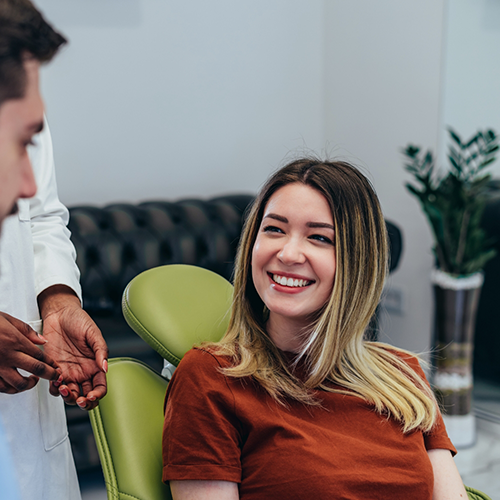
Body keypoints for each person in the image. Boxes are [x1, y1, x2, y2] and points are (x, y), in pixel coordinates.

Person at [162, 158, 468, 499]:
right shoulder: (211, 378)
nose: (289, 253)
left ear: (358, 261)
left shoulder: (403, 375)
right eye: (274, 229)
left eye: (320, 238)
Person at [0, 1, 108, 498]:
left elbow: (39, 214)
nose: (26, 181)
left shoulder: (18, 88)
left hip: (25, 426)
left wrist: (58, 301)